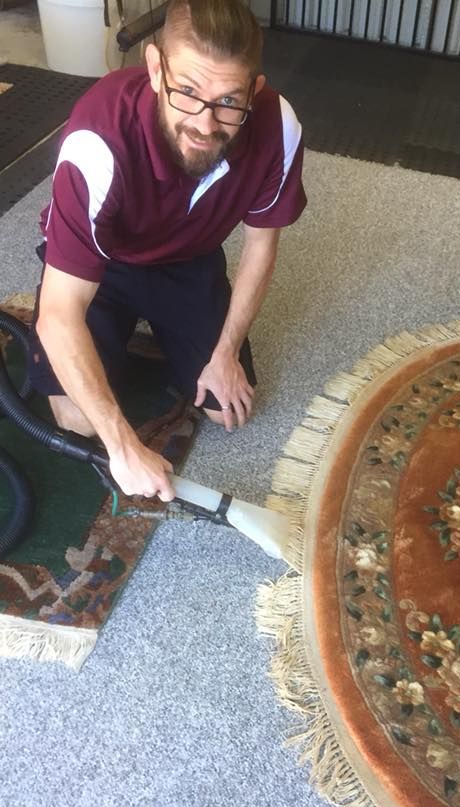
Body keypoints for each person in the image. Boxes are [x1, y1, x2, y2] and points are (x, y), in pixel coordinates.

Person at [29, 0, 306, 503]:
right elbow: (58, 313)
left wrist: (225, 354)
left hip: (187, 258)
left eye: (228, 100)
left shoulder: (277, 125)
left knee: (228, 408)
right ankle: (115, 345)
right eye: (187, 91)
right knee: (78, 420)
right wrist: (123, 444)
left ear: (254, 91)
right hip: (104, 264)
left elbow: (262, 245)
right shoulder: (99, 139)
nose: (205, 122)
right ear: (155, 69)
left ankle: (148, 342)